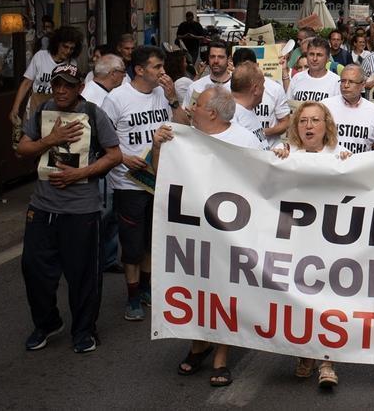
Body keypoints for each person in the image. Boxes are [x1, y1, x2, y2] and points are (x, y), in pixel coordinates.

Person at [153, 86, 261, 385]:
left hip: (230, 233)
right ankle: (198, 345)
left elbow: (263, 183)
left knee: (225, 290)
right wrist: (158, 147)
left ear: (211, 112)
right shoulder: (182, 136)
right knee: (197, 289)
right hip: (191, 229)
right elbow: (161, 177)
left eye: (196, 104)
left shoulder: (244, 140)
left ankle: (221, 356)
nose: (190, 108)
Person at [16, 62, 121, 355]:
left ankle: (84, 330)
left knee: (83, 274)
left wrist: (80, 174)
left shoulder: (92, 114)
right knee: (33, 269)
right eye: (57, 84)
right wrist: (51, 139)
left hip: (81, 210)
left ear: (79, 88)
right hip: (42, 206)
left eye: (68, 85)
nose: (61, 90)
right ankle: (47, 323)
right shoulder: (42, 112)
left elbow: (115, 155)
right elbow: (22, 148)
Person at [100, 46, 188, 321]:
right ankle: (132, 297)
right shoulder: (117, 98)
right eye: (157, 67)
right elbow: (102, 140)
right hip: (129, 184)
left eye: (163, 67)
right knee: (132, 245)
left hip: (159, 180)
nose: (163, 73)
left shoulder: (163, 94)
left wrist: (173, 98)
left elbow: (183, 126)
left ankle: (148, 288)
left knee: (153, 240)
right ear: (139, 70)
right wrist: (124, 157)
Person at [271, 102, 349, 388]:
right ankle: (305, 354)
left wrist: (349, 165)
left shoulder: (339, 156)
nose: (308, 126)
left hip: (329, 242)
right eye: (303, 121)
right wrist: (277, 160)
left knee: (328, 299)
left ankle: (327, 360)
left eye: (315, 120)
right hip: (296, 241)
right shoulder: (286, 155)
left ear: (325, 125)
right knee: (300, 298)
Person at [11, 26, 82, 125]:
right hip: (36, 104)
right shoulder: (40, 56)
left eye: (71, 48)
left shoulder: (72, 63)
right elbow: (26, 83)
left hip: (58, 107)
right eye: (65, 47)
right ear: (57, 44)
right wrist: (15, 107)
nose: (68, 51)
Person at [230, 48, 291, 145]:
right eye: (241, 69)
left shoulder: (274, 88)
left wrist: (263, 132)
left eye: (250, 69)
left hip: (270, 150)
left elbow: (286, 122)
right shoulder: (226, 95)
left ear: (257, 66)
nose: (263, 88)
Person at [322, 64, 374, 155]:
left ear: (363, 84)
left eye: (351, 82)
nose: (346, 85)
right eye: (343, 81)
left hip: (361, 167)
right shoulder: (325, 106)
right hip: (331, 166)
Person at [288, 37, 342, 103]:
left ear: (327, 59)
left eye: (319, 55)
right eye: (311, 54)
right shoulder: (296, 78)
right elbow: (288, 106)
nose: (314, 59)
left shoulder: (336, 82)